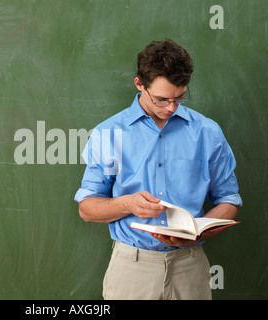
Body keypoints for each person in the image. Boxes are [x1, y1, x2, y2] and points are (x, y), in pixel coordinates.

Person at [74, 39, 242, 300]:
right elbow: (86, 208)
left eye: (180, 97)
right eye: (162, 99)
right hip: (132, 268)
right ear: (139, 84)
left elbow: (230, 200)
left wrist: (199, 229)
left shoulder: (207, 132)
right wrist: (127, 204)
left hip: (191, 266)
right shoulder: (109, 133)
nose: (172, 108)